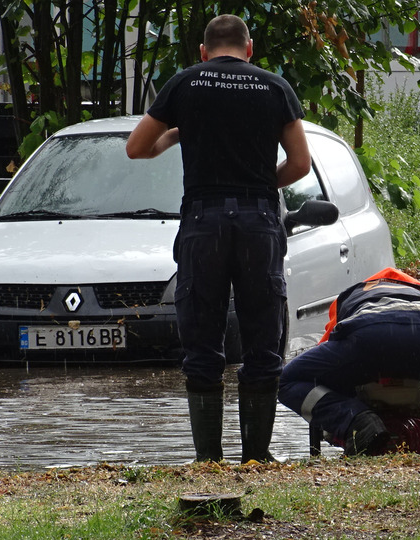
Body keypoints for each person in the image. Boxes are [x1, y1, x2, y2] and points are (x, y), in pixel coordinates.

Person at [125, 14, 311, 464]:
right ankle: (258, 455)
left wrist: (174, 134)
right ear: (249, 50)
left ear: (204, 52)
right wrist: (261, 183)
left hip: (203, 222)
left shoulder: (185, 83)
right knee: (262, 338)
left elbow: (136, 148)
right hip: (257, 221)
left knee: (203, 339)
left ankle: (208, 459)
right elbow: (301, 164)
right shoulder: (274, 87)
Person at [278, 267, 420, 456]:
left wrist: (341, 410)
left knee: (288, 380)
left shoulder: (349, 298)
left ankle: (358, 422)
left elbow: (327, 345)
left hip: (367, 333)